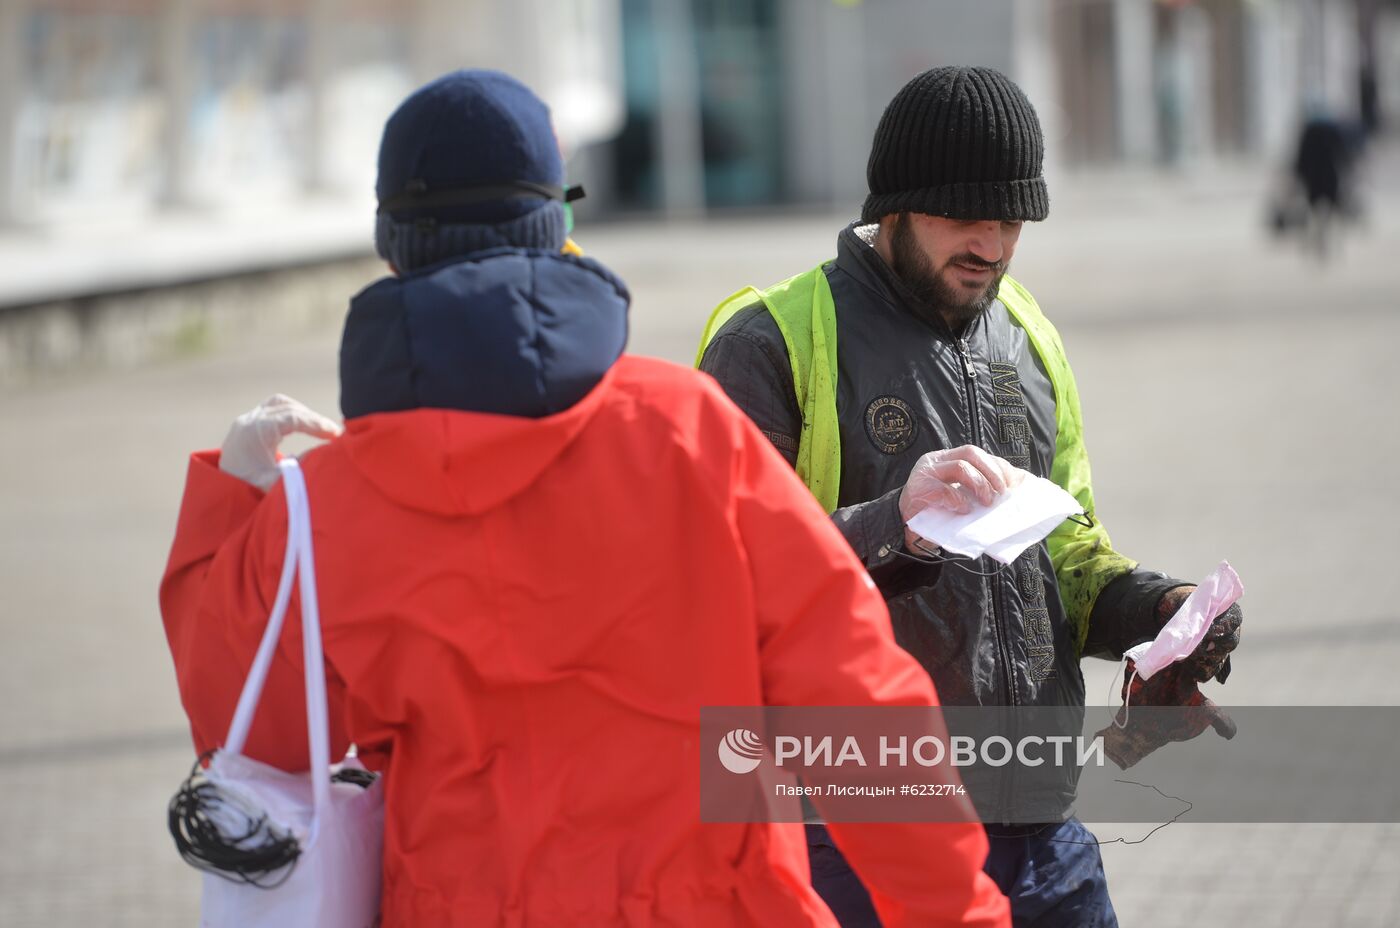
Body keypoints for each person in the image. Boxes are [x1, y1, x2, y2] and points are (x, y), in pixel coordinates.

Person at [159, 70, 1011, 927]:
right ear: (556, 228)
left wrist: (234, 506)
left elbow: (250, 743)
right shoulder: (688, 432)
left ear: (392, 251)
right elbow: (856, 706)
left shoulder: (326, 506)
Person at [696, 66, 1244, 928]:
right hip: (853, 836)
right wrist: (893, 525)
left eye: (1012, 220)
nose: (991, 243)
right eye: (964, 217)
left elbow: (1065, 554)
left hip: (1042, 829)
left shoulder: (1026, 335)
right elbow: (716, 583)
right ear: (895, 209)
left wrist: (1160, 613)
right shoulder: (772, 343)